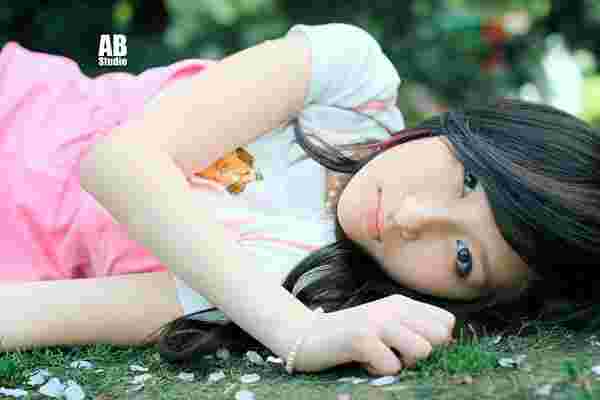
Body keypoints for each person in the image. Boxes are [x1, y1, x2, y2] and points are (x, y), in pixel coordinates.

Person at [0, 23, 598, 376]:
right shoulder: (350, 82)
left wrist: (295, 317)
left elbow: (30, 312)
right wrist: (296, 333)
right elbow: (118, 162)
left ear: (467, 304)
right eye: (465, 180)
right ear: (462, 132)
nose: (412, 218)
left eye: (463, 258)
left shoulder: (294, 284)